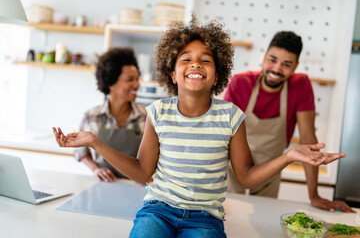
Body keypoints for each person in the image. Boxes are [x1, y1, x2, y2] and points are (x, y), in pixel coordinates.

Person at [53, 16, 346, 238]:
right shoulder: (157, 113)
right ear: (173, 72)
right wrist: (95, 142)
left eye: (205, 60)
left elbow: (244, 176)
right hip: (158, 211)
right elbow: (143, 172)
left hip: (205, 218)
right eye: (186, 60)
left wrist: (289, 155)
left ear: (217, 73)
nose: (196, 64)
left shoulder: (231, 116)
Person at [224, 31, 355, 213]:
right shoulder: (240, 83)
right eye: (272, 60)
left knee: (264, 219)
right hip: (232, 168)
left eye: (286, 64)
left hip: (270, 169)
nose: (276, 69)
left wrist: (314, 195)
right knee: (230, 215)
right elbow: (221, 134)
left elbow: (308, 138)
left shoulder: (300, 85)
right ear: (264, 56)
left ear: (296, 66)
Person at [74, 47, 146, 182]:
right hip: (104, 185)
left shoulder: (146, 117)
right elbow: (81, 151)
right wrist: (95, 169)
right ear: (111, 81)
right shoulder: (92, 116)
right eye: (130, 79)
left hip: (137, 187)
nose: (137, 85)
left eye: (137, 79)